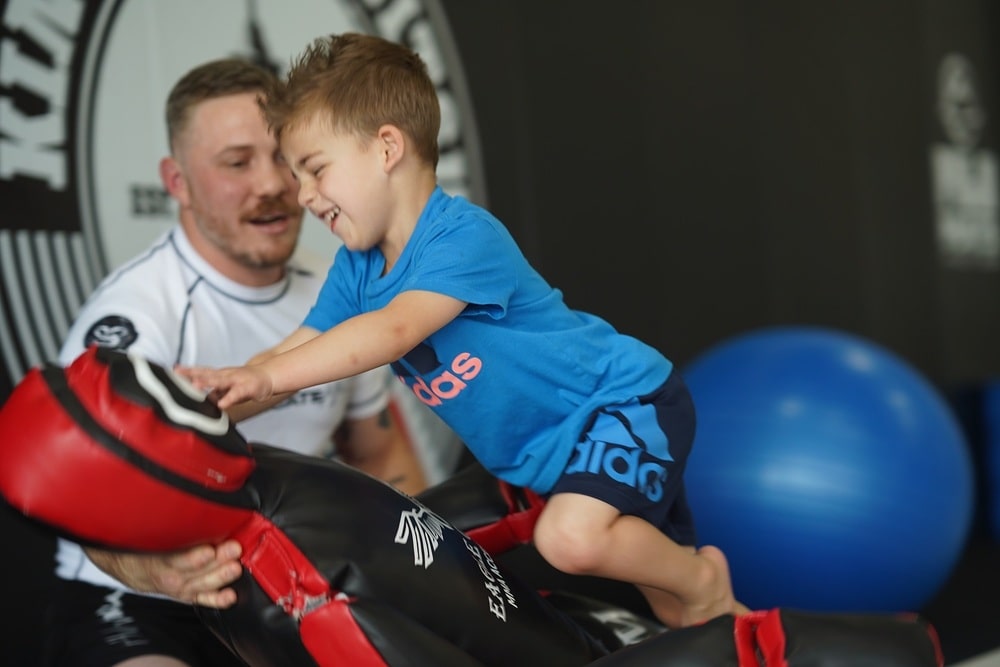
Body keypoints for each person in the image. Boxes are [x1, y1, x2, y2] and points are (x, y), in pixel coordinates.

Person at [179, 33, 749, 631]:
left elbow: (394, 331)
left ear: (387, 147)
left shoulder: (462, 237)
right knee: (676, 613)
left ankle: (706, 579)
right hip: (558, 456)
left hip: (621, 407)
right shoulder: (358, 267)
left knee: (573, 542)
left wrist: (266, 373)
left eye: (315, 170)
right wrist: (228, 391)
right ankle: (744, 629)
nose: (304, 195)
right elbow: (302, 343)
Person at [44, 57, 428, 667]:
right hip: (146, 600)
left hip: (295, 589)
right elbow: (82, 511)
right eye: (236, 163)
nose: (272, 184)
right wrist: (161, 573)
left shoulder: (339, 290)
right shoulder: (136, 317)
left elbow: (381, 454)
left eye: (283, 157)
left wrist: (434, 576)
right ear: (177, 182)